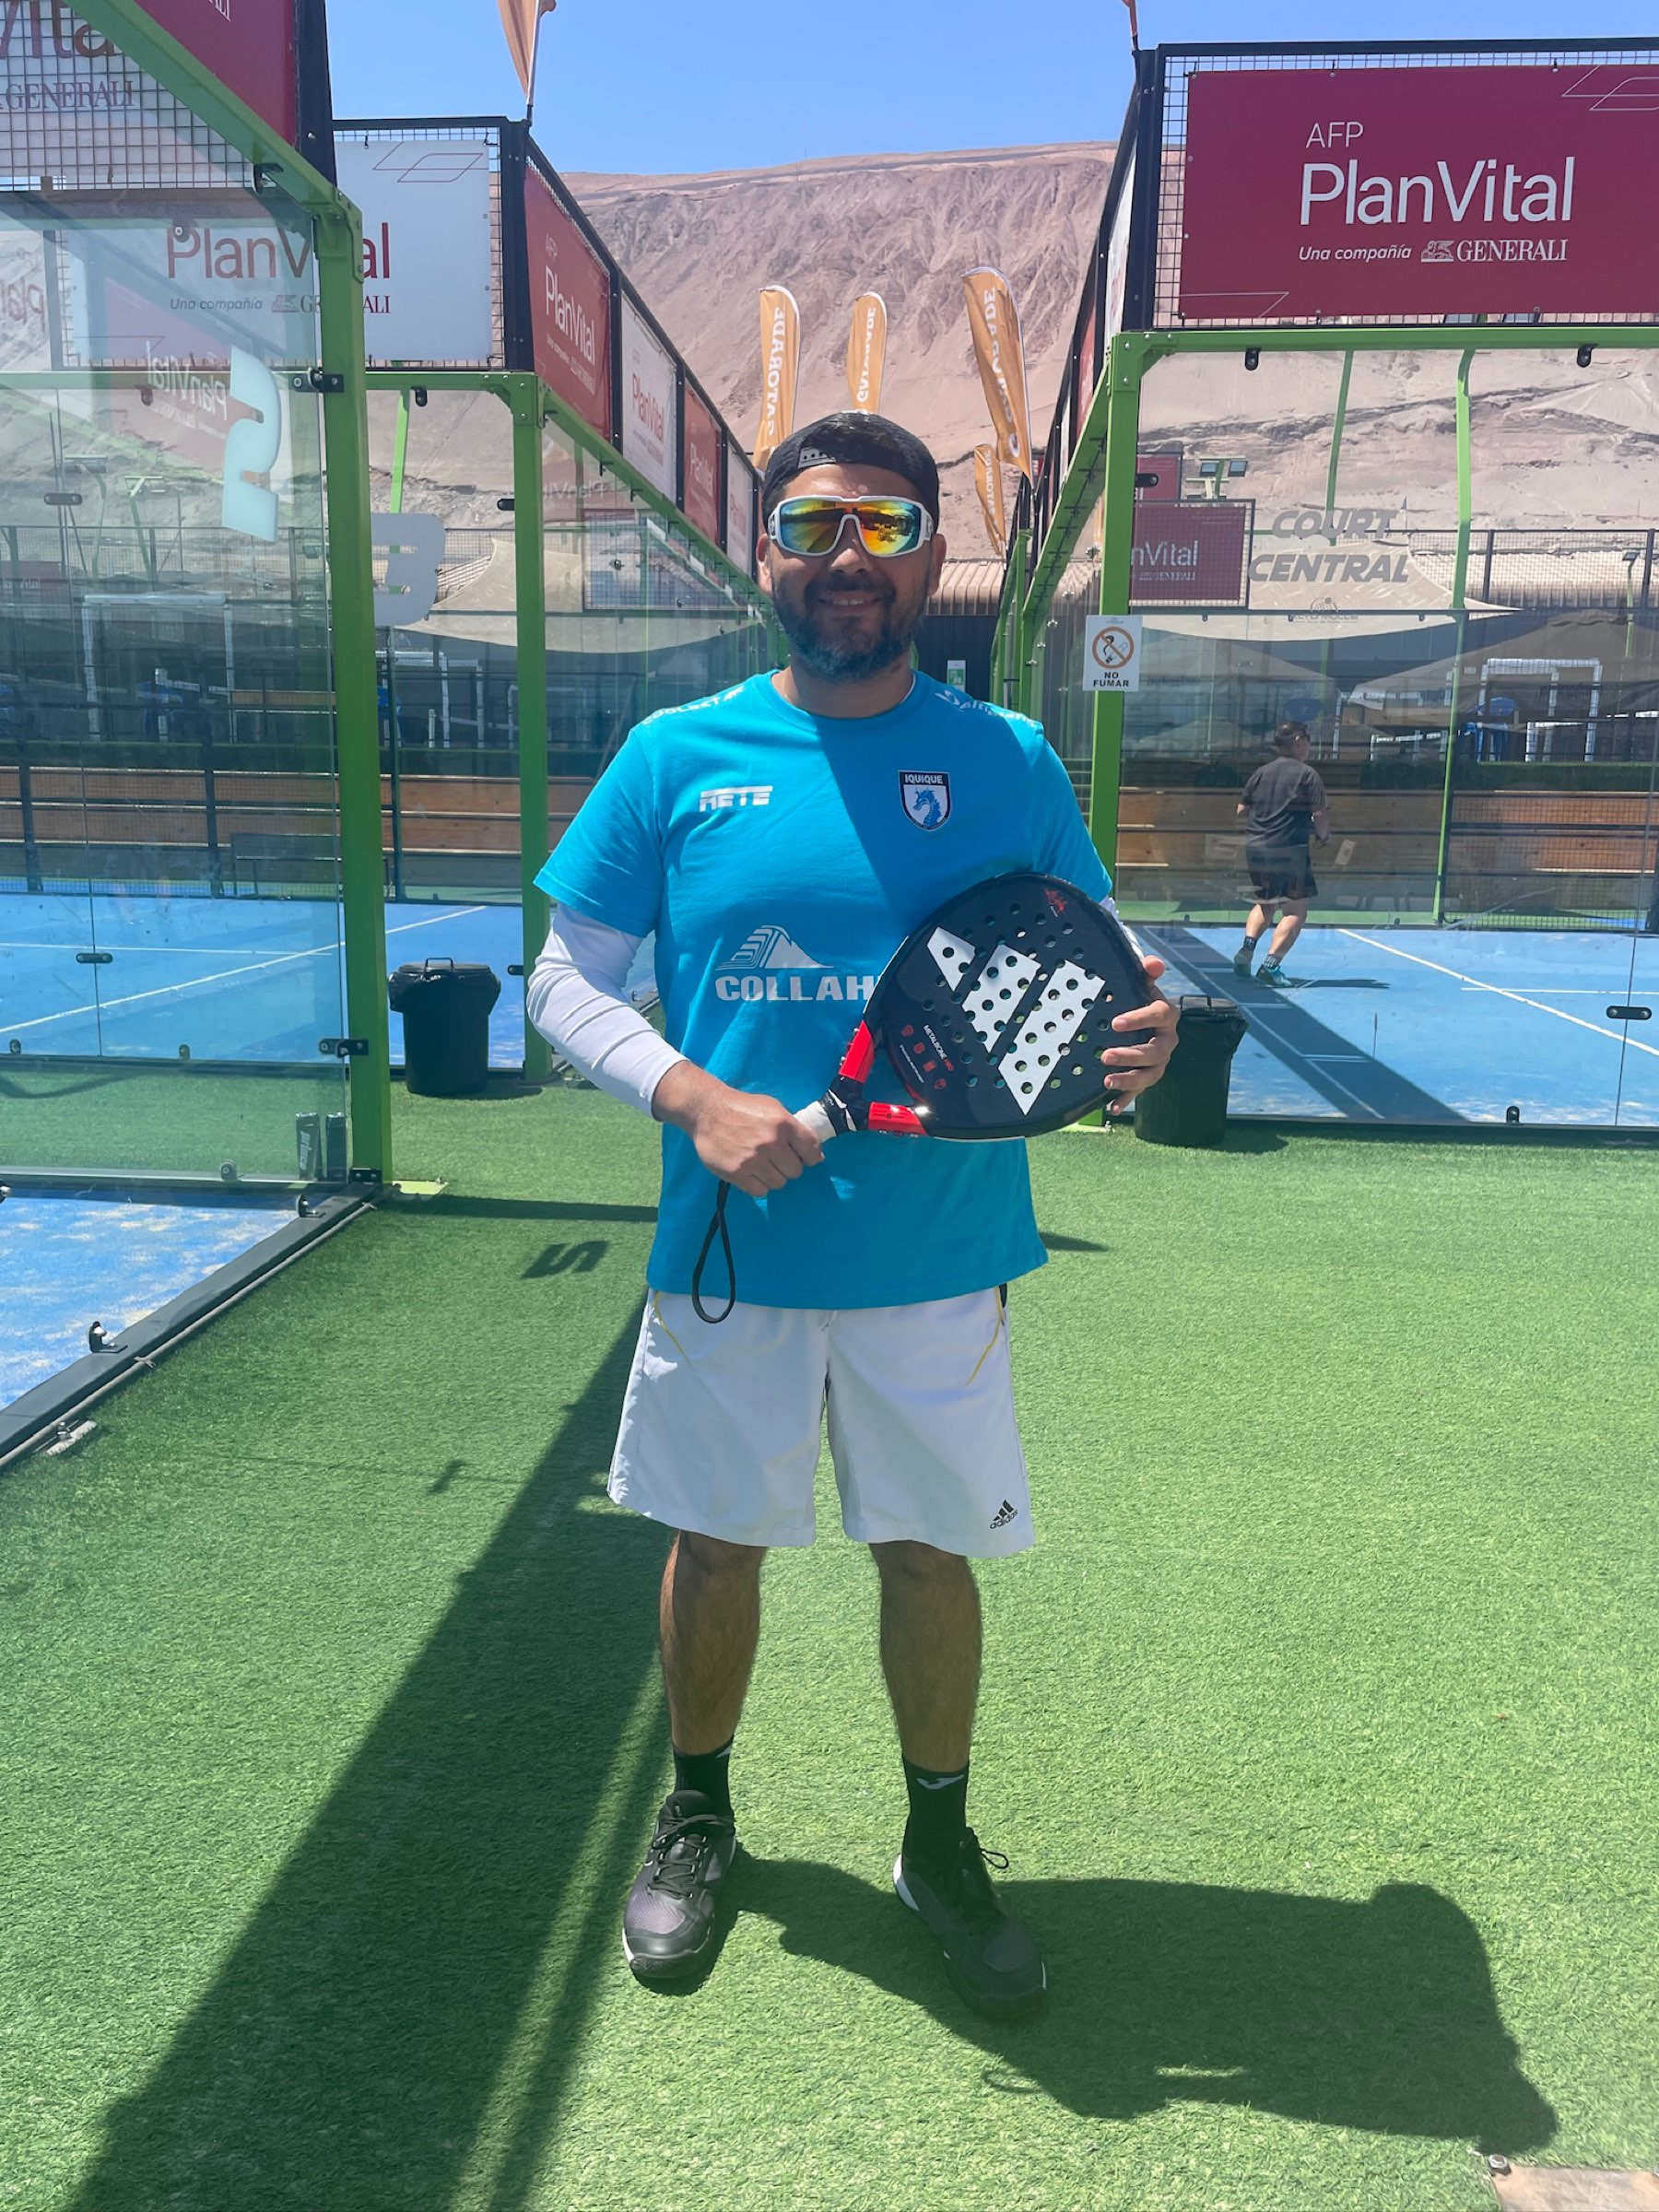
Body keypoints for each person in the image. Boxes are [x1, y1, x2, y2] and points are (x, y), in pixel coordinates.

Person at [525, 412, 1177, 2020]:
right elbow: (561, 983)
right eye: (813, 526)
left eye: (884, 529)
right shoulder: (673, 756)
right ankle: (699, 1816)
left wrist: (1146, 1030)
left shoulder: (1011, 761)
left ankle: (936, 1845)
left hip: (937, 1254)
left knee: (929, 1556)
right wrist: (693, 1097)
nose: (848, 561)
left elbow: (1093, 957)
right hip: (728, 1251)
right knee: (713, 1542)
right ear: (767, 553)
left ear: (934, 555)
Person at [1231, 721, 1330, 986]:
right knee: (1295, 910)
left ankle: (1246, 950)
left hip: (1256, 846)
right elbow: (1320, 814)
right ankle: (1270, 966)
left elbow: (1241, 810)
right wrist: (1323, 836)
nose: (1309, 744)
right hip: (1289, 849)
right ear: (1298, 741)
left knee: (1266, 903)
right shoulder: (1308, 775)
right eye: (1308, 739)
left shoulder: (1260, 773)